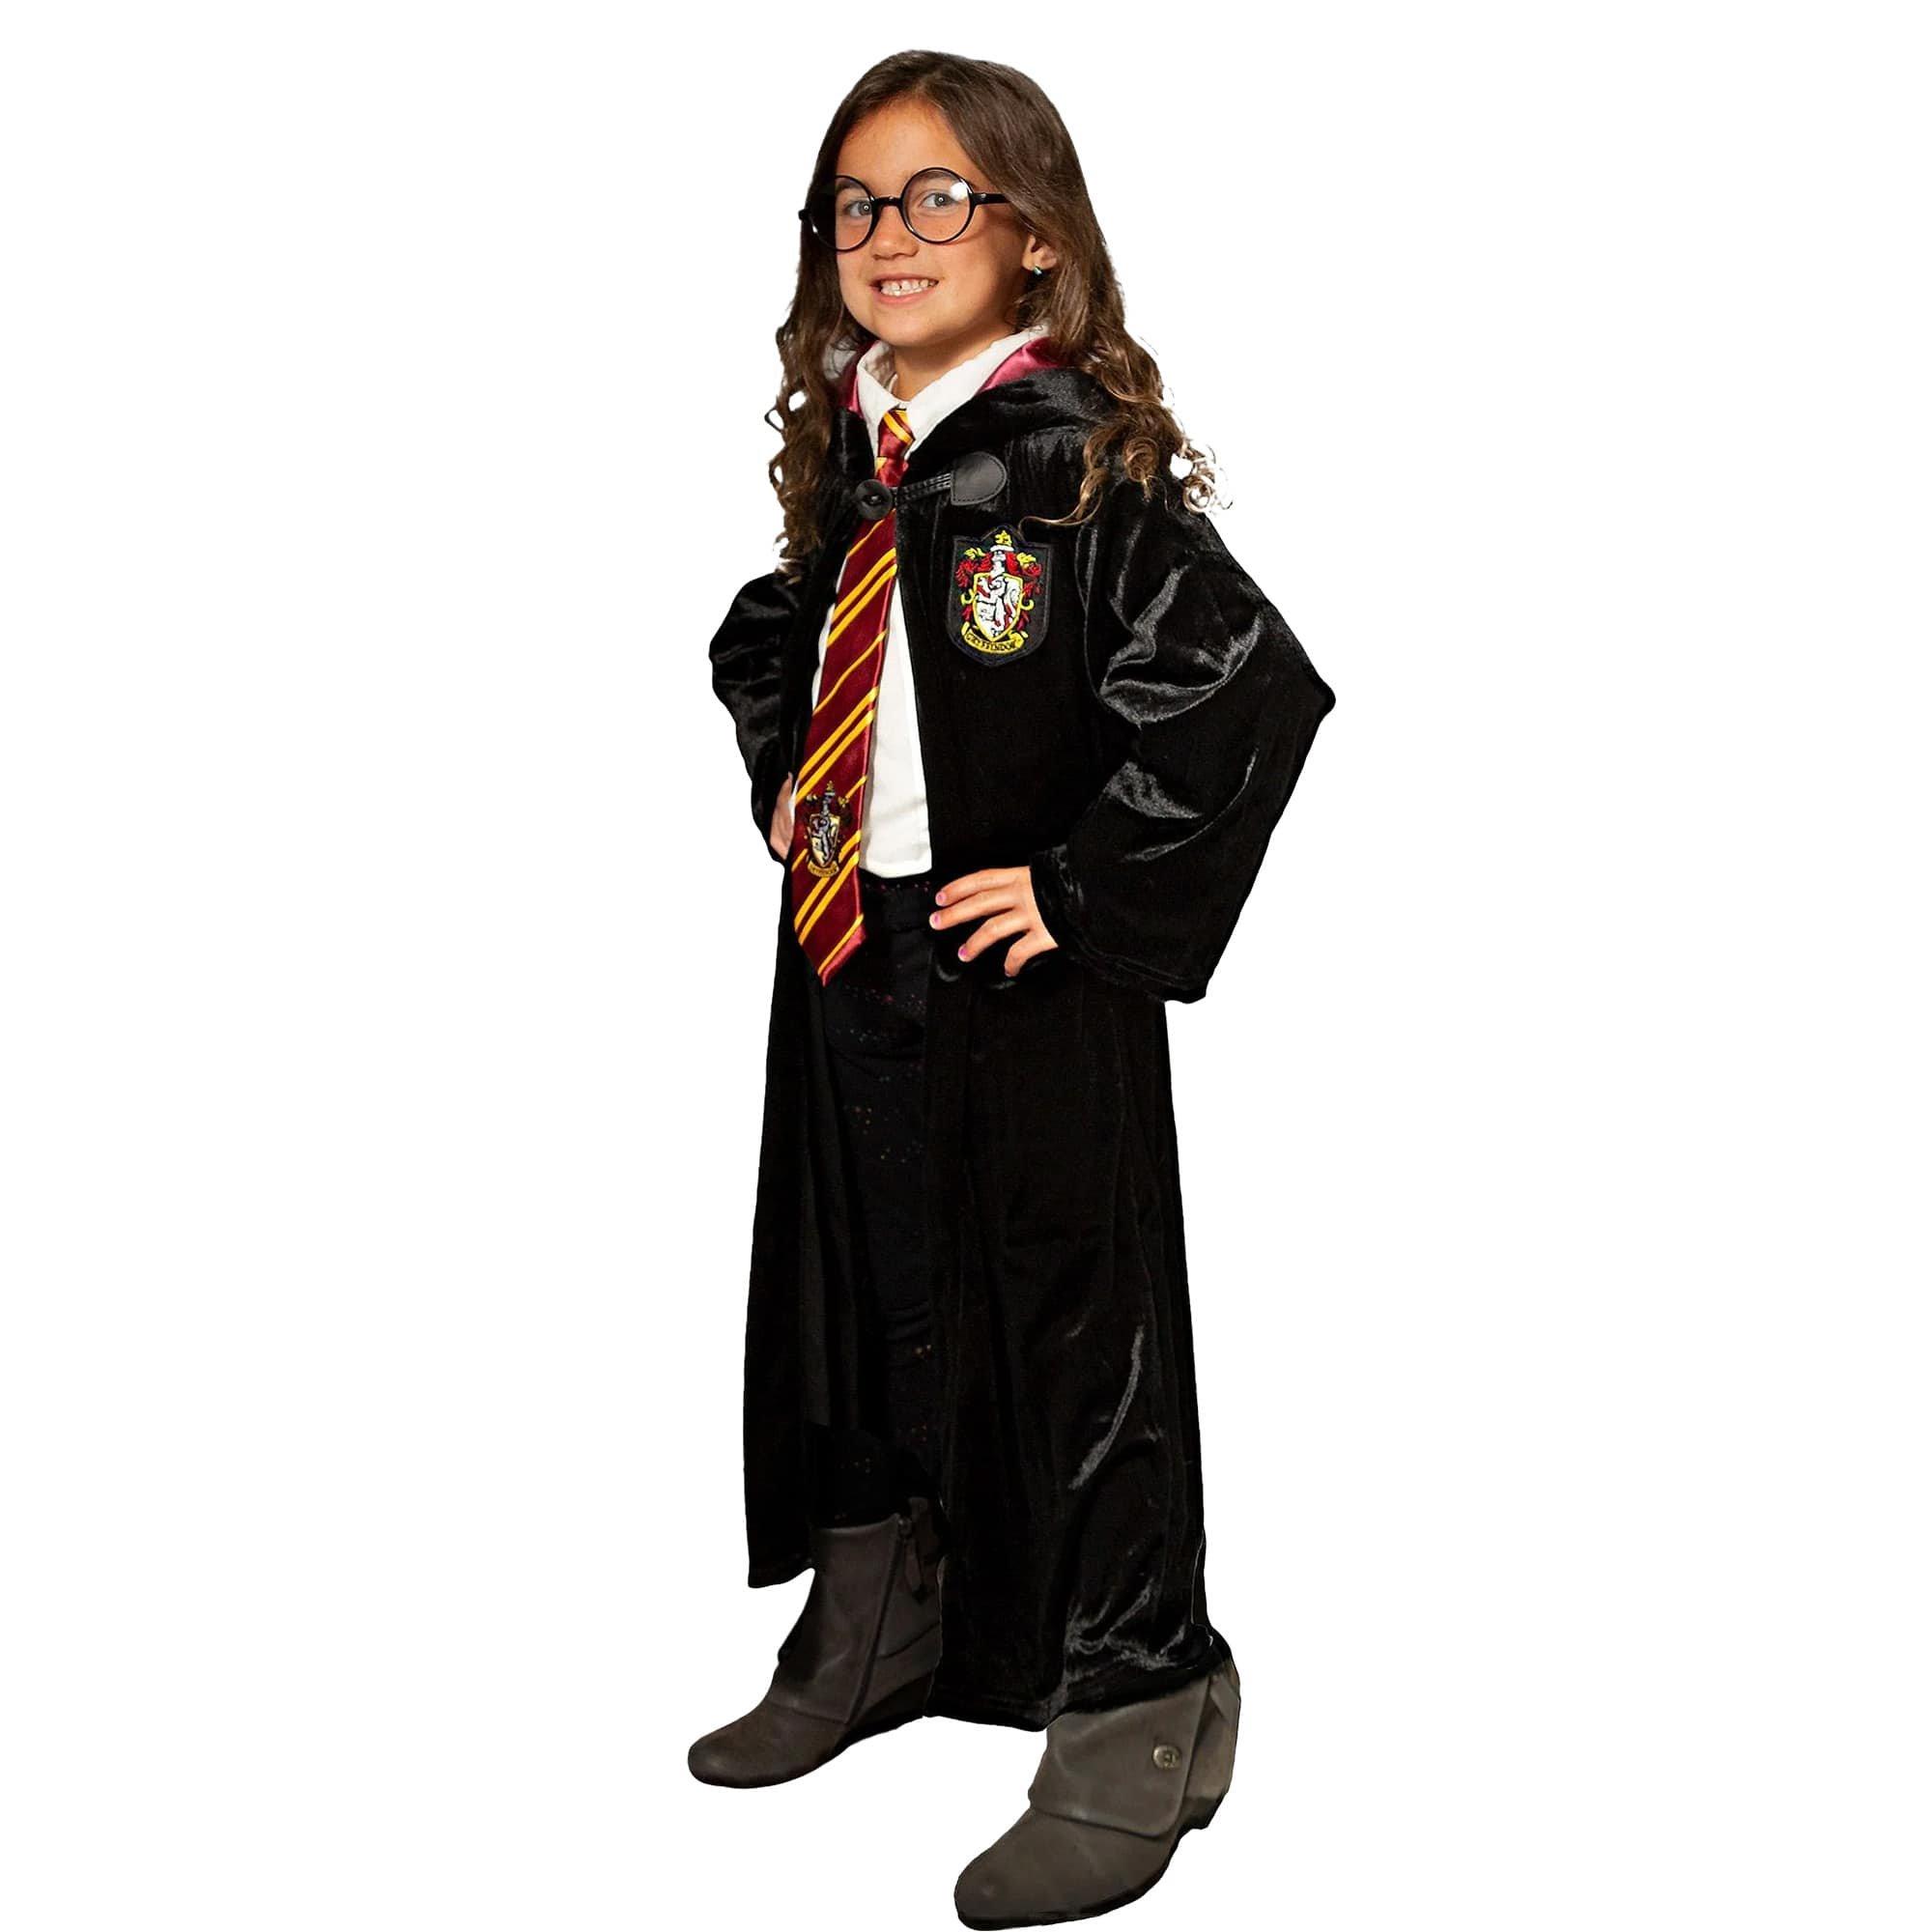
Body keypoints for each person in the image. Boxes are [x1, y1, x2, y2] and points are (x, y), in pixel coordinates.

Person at [694, 50, 1337, 1928]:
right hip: (851, 937)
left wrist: (1078, 888)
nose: (889, 234)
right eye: (856, 204)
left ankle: (1137, 1699)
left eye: (936, 197)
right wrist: (792, 774)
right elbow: (786, 630)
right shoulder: (870, 448)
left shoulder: (1062, 465)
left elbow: (1239, 684)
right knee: (864, 1279)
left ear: (1032, 234)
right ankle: (881, 1610)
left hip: (1024, 971)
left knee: (1072, 1321)